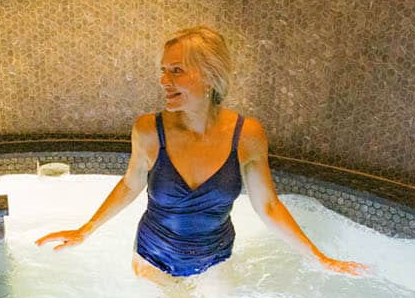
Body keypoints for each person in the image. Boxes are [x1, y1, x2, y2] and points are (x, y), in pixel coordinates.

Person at [36, 26, 368, 280]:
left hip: (215, 259)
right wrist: (85, 230)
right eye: (164, 70)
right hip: (153, 257)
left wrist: (319, 258)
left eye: (176, 70)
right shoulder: (149, 131)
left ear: (209, 75)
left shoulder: (247, 136)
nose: (164, 80)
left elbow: (268, 205)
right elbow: (129, 185)